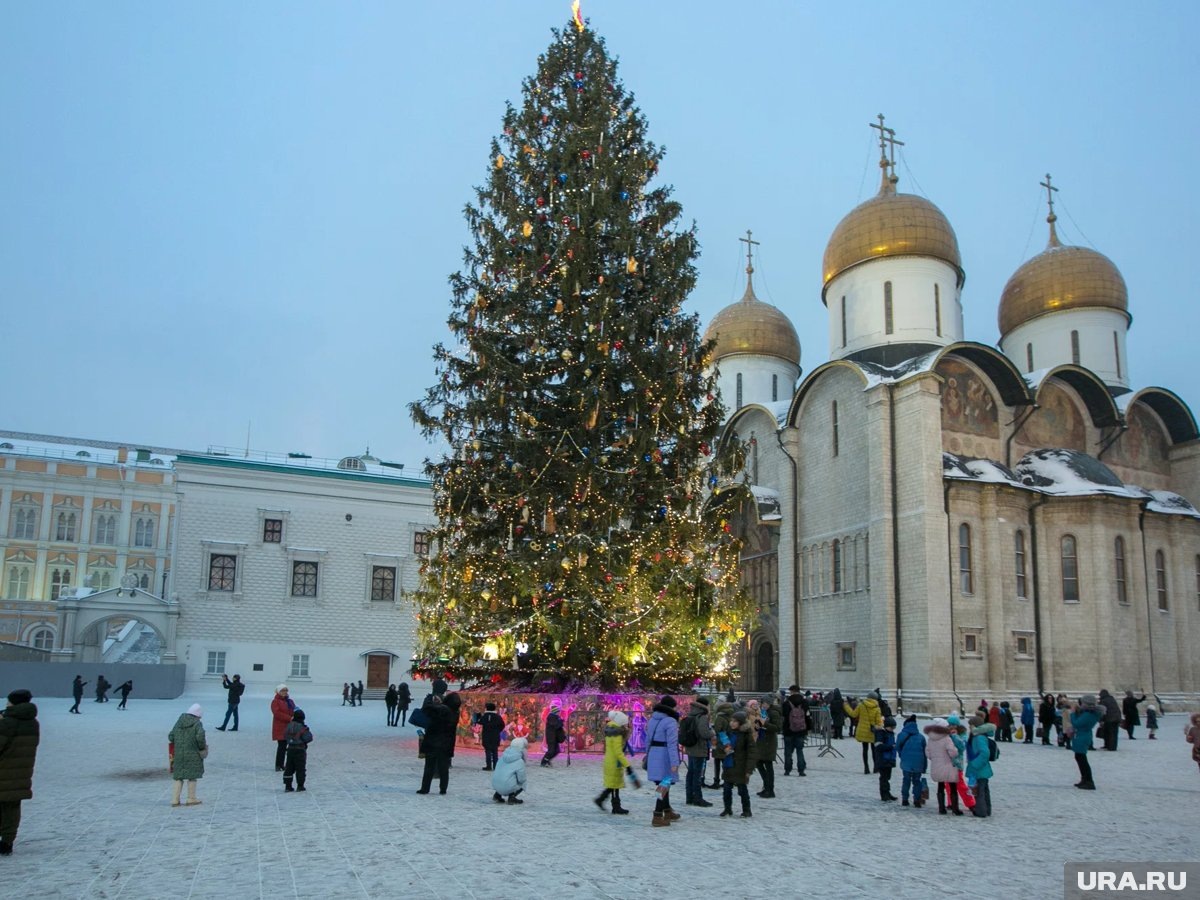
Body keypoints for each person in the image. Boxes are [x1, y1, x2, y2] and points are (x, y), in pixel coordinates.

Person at [0, 689, 40, 855]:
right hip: (21, 771)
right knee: (12, 807)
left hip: (3, 769)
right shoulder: (32, 722)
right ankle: (7, 842)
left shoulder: (8, 722)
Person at [645, 695, 681, 826]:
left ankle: (667, 810)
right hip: (665, 756)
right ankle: (657, 815)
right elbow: (672, 743)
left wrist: (647, 755)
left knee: (664, 785)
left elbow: (647, 740)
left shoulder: (652, 720)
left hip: (654, 754)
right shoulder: (670, 721)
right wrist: (675, 762)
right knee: (664, 785)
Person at [168, 703, 207, 807]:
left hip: (179, 754)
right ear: (197, 715)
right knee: (192, 776)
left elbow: (171, 736)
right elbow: (200, 737)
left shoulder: (179, 722)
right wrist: (202, 747)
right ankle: (191, 798)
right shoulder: (197, 724)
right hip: (193, 753)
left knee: (178, 776)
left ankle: (175, 800)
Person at [595, 710, 633, 815]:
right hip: (614, 762)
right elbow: (618, 752)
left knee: (614, 785)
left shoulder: (611, 731)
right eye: (625, 724)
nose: (626, 726)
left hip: (611, 761)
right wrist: (628, 765)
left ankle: (612, 805)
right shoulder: (616, 734)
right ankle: (607, 802)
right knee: (613, 785)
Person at [416, 693, 455, 795]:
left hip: (433, 742)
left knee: (429, 767)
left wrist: (429, 698)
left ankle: (425, 788)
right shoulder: (451, 712)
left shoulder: (436, 711)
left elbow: (426, 708)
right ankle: (443, 789)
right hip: (445, 743)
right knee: (443, 768)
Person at [719, 709, 754, 819]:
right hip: (728, 765)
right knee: (726, 789)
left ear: (741, 723)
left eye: (735, 721)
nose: (732, 723)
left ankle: (747, 810)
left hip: (740, 766)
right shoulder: (728, 733)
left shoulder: (746, 735)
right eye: (731, 721)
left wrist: (749, 770)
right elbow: (721, 745)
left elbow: (752, 753)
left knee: (742, 790)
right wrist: (723, 748)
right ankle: (727, 808)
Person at [924, 717, 962, 815]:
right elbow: (953, 752)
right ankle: (955, 809)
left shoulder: (931, 738)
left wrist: (935, 759)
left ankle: (941, 808)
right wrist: (956, 751)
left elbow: (928, 752)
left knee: (940, 786)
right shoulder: (946, 738)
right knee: (953, 787)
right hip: (948, 765)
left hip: (936, 766)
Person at [680, 695, 713, 807]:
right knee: (697, 774)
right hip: (699, 748)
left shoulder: (691, 714)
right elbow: (704, 733)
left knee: (691, 772)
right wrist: (712, 732)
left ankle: (689, 797)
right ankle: (698, 798)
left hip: (690, 747)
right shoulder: (702, 716)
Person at [845, 691, 883, 774]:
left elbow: (853, 714)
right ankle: (875, 768)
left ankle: (866, 768)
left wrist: (846, 706)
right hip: (873, 732)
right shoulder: (877, 708)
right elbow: (879, 722)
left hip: (863, 731)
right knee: (874, 750)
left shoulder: (861, 705)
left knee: (865, 750)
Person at [751, 694, 781, 799]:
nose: (763, 705)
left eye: (765, 703)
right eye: (762, 703)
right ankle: (766, 786)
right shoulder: (763, 712)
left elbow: (777, 727)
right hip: (761, 741)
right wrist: (757, 725)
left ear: (769, 703)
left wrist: (765, 725)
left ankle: (770, 789)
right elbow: (758, 725)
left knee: (768, 766)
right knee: (759, 763)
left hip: (769, 742)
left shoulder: (774, 713)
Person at [965, 714, 995, 817]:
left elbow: (985, 753)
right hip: (982, 768)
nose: (969, 727)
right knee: (984, 790)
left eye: (970, 725)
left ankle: (981, 811)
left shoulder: (979, 738)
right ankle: (986, 810)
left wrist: (975, 764)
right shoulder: (979, 736)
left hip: (979, 768)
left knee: (980, 792)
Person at [1070, 695, 1101, 790]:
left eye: (1083, 702)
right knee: (1080, 757)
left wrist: (1072, 713)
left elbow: (1076, 723)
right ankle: (1084, 779)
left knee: (1082, 759)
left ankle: (1089, 781)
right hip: (1082, 736)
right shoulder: (1090, 713)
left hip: (1082, 737)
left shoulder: (1089, 715)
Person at [895, 714, 927, 807]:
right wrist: (924, 766)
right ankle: (917, 800)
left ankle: (905, 799)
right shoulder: (921, 737)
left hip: (906, 762)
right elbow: (924, 753)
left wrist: (902, 755)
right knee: (917, 781)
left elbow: (897, 747)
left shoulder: (901, 735)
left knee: (906, 780)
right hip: (919, 763)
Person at [282, 709, 313, 792]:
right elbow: (308, 738)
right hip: (300, 750)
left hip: (290, 749)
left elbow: (284, 735)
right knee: (300, 768)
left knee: (289, 767)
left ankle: (288, 785)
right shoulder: (302, 727)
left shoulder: (288, 726)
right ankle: (300, 785)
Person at [781, 685, 809, 777]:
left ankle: (787, 770)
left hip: (788, 730)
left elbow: (784, 715)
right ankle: (801, 770)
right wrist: (807, 729)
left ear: (792, 691)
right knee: (800, 750)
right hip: (801, 730)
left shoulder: (786, 703)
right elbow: (807, 716)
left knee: (788, 751)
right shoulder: (804, 702)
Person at [491, 736, 528, 804]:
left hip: (495, 785)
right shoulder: (519, 761)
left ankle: (497, 795)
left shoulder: (503, 756)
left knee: (505, 777)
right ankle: (512, 797)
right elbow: (521, 779)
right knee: (523, 782)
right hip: (507, 787)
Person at [873, 716, 898, 801]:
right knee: (883, 778)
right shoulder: (881, 733)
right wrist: (891, 747)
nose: (893, 729)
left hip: (889, 759)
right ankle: (884, 794)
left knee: (887, 777)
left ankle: (887, 793)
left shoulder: (890, 734)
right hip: (882, 759)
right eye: (892, 727)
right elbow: (878, 746)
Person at [271, 685, 295, 771]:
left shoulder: (290, 701)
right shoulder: (275, 701)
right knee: (282, 746)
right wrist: (289, 718)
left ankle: (283, 764)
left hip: (289, 727)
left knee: (287, 746)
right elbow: (277, 713)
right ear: (278, 692)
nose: (284, 692)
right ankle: (278, 764)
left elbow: (294, 710)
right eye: (282, 690)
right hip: (280, 727)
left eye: (286, 690)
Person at [478, 702, 505, 771]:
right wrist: (498, 730)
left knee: (487, 751)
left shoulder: (484, 716)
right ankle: (496, 766)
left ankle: (488, 766)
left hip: (486, 736)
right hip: (495, 736)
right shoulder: (497, 717)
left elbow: (480, 722)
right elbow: (502, 725)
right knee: (495, 751)